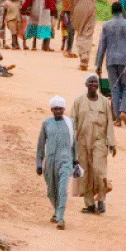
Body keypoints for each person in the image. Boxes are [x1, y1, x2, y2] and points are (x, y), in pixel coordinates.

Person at [71, 75, 116, 214]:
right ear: (86, 84)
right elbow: (73, 123)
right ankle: (89, 204)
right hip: (82, 141)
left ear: (98, 85)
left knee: (99, 171)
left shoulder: (104, 102)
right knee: (85, 173)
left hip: (99, 141)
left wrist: (112, 143)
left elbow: (109, 123)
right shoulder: (78, 101)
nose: (92, 85)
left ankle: (101, 200)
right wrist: (71, 143)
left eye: (95, 83)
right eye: (90, 82)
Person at [36, 96, 81, 230]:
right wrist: (39, 163)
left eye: (60, 109)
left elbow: (75, 144)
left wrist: (76, 161)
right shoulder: (46, 124)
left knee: (62, 189)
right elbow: (40, 145)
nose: (58, 111)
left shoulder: (70, 123)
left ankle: (61, 218)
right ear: (51, 109)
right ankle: (56, 212)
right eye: (55, 109)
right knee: (51, 191)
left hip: (65, 161)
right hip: (50, 162)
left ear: (64, 109)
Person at [96, 2, 126, 127]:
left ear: (112, 12)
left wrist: (98, 64)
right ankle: (123, 110)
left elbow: (102, 46)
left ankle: (118, 120)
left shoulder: (106, 25)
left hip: (111, 60)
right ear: (122, 11)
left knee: (114, 88)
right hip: (125, 60)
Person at [67, 0, 104, 70]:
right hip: (90, 8)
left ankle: (83, 57)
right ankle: (85, 56)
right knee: (87, 33)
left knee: (80, 32)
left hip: (77, 10)